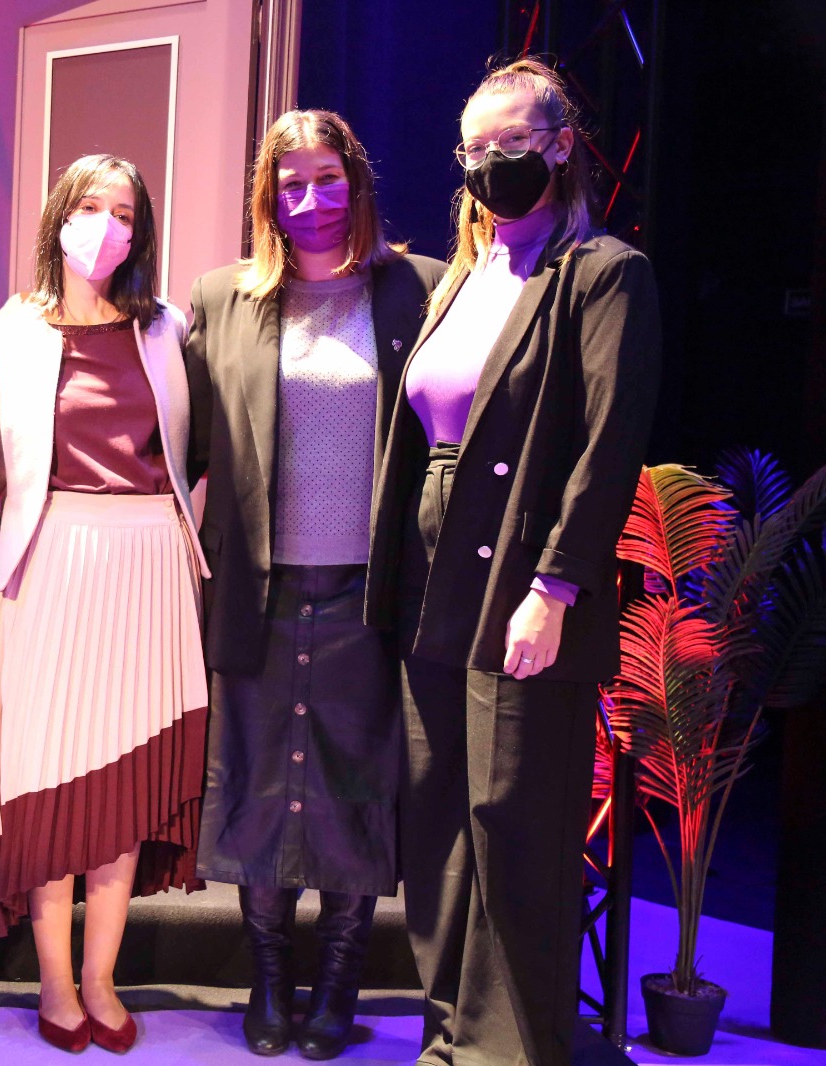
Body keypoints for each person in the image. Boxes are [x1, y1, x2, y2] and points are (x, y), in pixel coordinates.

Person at [364, 58, 661, 1066]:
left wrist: (556, 588)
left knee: (513, 824)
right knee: (439, 813)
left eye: (513, 146)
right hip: (432, 571)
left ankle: (512, 1052)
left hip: (524, 577)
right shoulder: (461, 276)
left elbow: (609, 444)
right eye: (475, 151)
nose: (492, 165)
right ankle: (448, 1035)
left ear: (562, 145)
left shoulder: (602, 272)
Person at [184, 111, 445, 1060]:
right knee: (260, 786)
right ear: (267, 195)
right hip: (258, 588)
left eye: (327, 178)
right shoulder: (223, 297)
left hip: (372, 594)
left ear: (357, 180)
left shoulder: (419, 289)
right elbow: (184, 443)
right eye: (289, 183)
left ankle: (338, 982)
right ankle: (269, 980)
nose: (310, 199)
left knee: (351, 788)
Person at [0, 154, 209, 1055]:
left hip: (149, 561)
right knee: (49, 781)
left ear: (139, 232)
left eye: (124, 212)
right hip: (51, 560)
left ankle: (102, 978)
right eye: (88, 206)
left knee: (121, 784)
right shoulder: (13, 330)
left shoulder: (166, 327)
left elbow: (195, 448)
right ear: (57, 218)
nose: (105, 226)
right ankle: (54, 980)